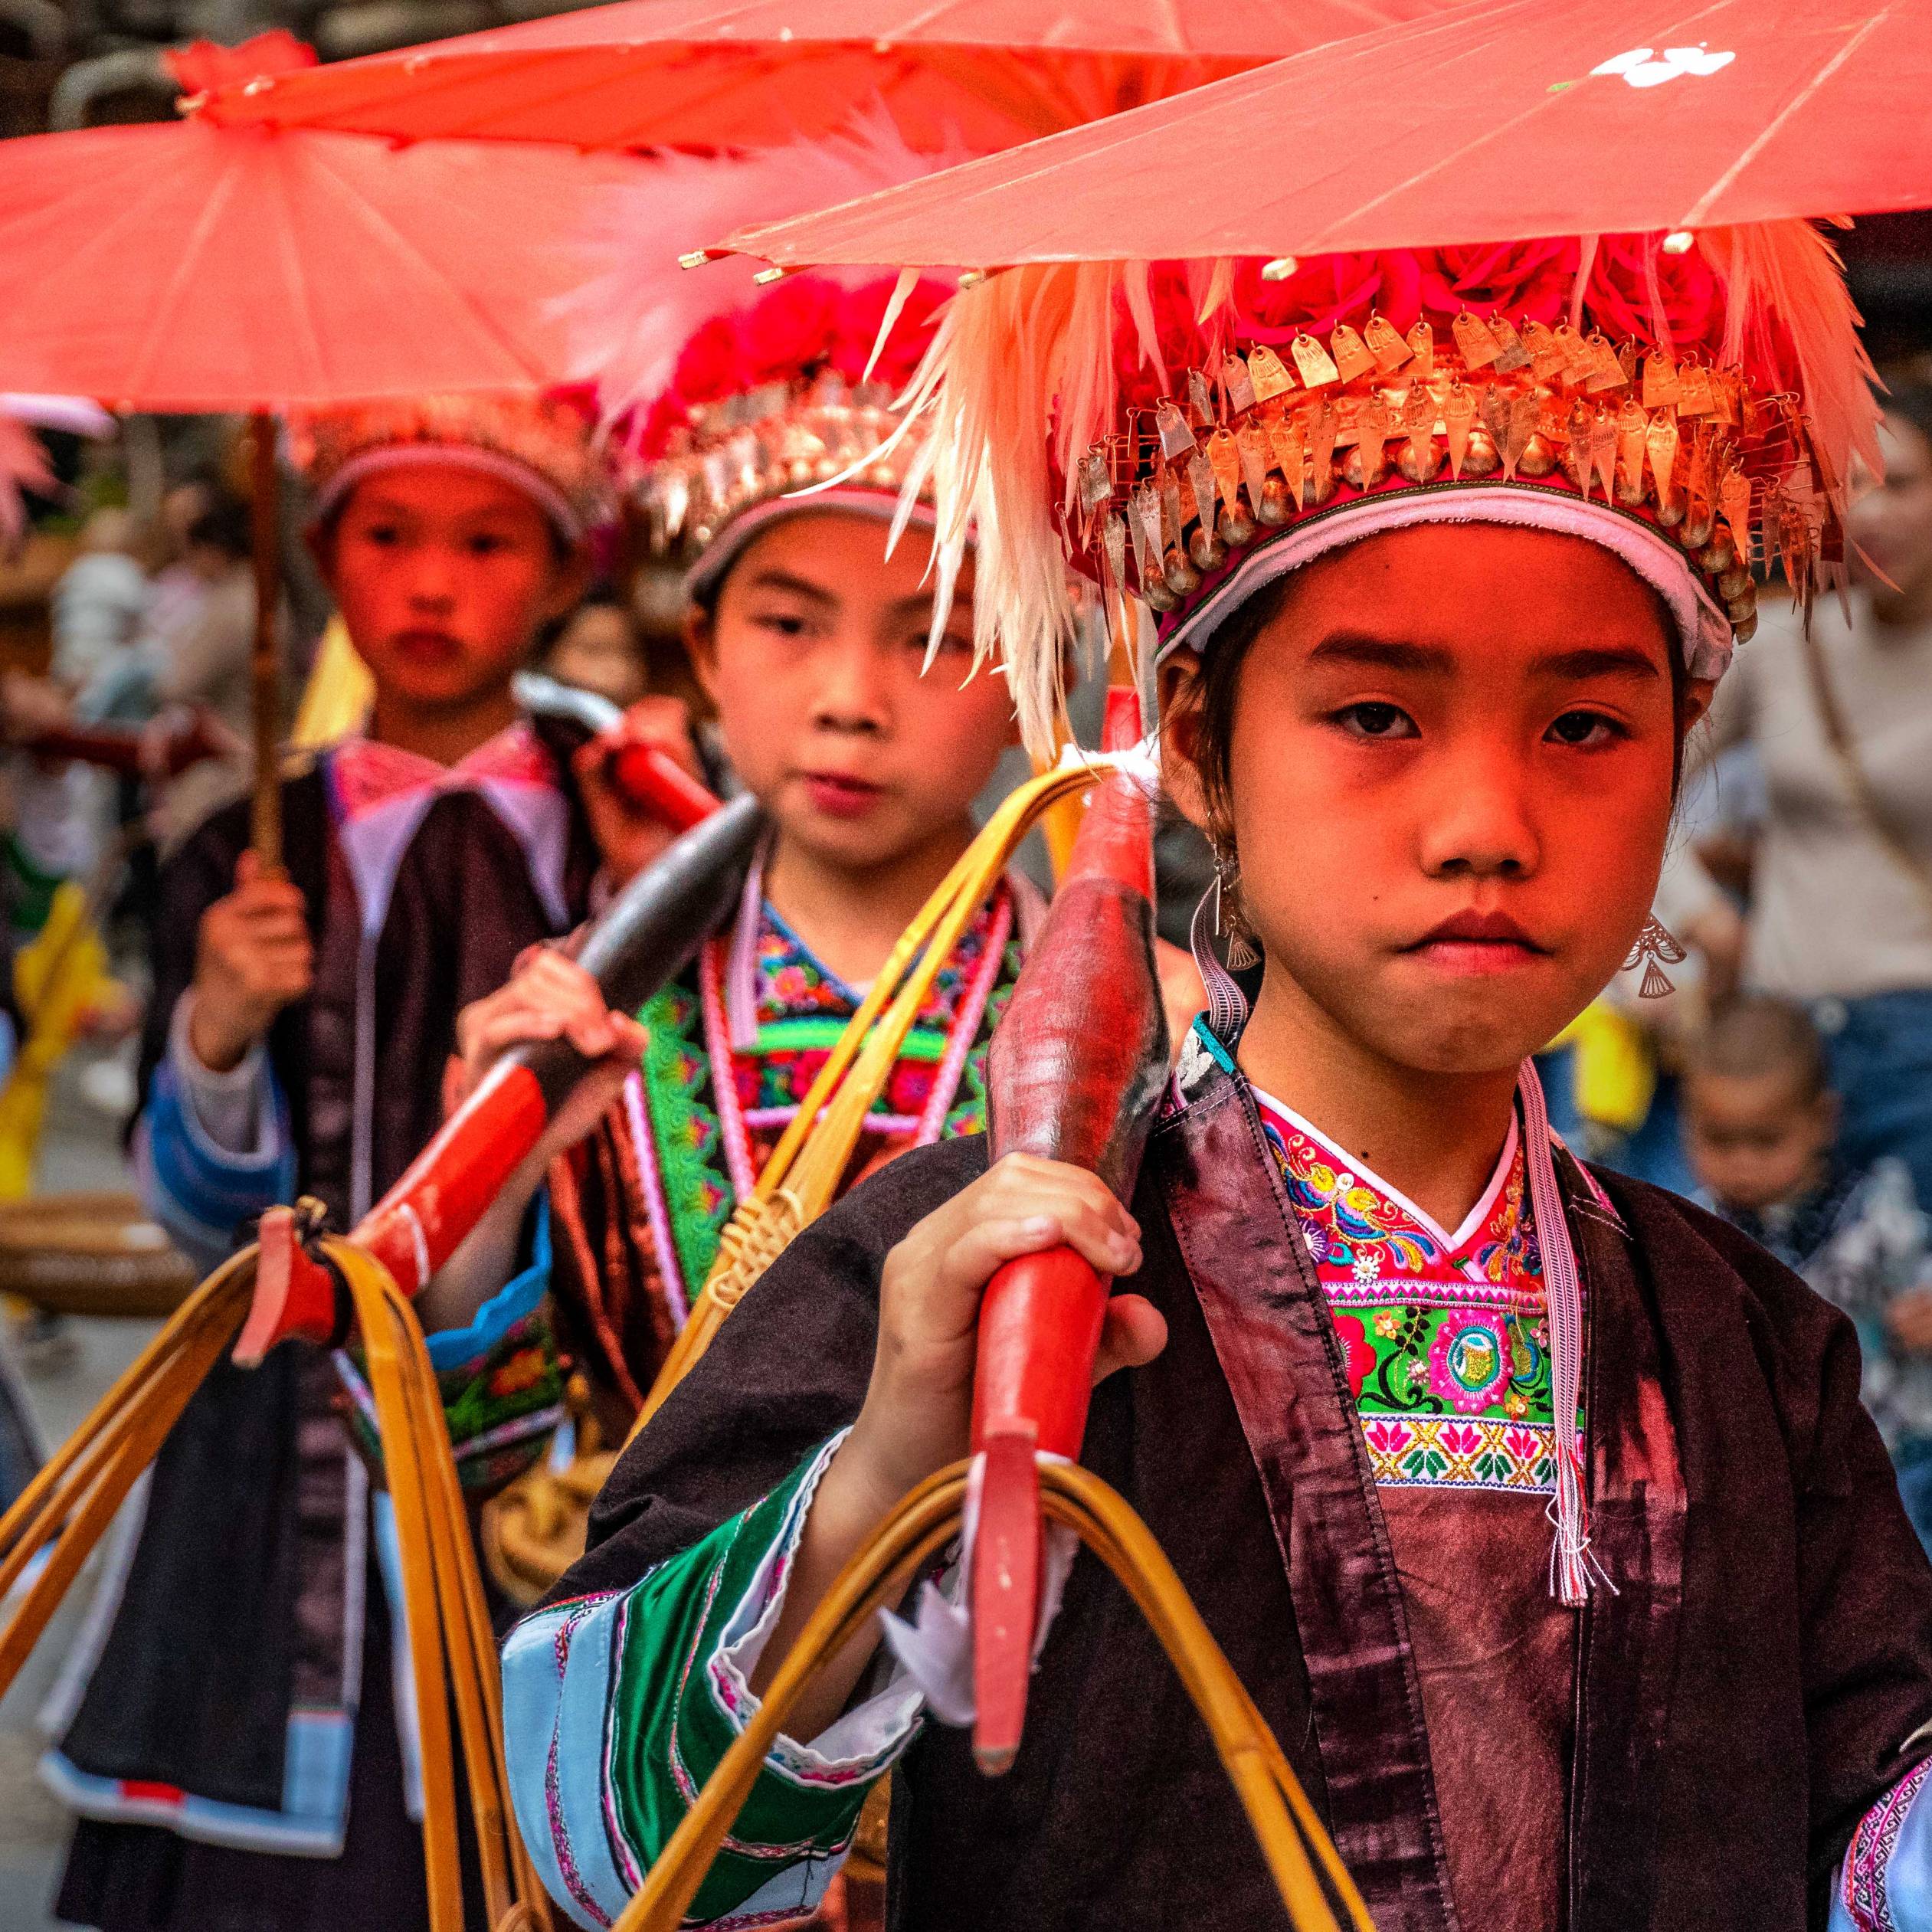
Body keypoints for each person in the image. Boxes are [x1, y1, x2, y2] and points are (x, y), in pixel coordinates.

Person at [502, 221, 1932, 1932]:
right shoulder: (973, 1272)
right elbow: (589, 1842)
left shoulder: (1744, 1338)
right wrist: (887, 1472)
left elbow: (1878, 1790)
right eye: (1377, 717)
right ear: (1194, 748)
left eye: (1586, 727)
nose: (1487, 825)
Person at [41, 392, 667, 1932]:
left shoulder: (629, 843)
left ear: (567, 570)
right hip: (276, 1470)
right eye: (388, 537)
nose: (432, 584)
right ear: (321, 558)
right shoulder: (239, 850)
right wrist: (214, 1024)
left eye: (484, 540)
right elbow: (199, 1226)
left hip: (555, 1442)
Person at [1665, 377, 1932, 1210]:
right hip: (1774, 1042)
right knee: (1774, 1319)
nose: (1873, 512)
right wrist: (1699, 911)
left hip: (1919, 1042)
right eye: (1850, 486)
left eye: (1900, 484)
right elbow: (1630, 790)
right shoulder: (1781, 644)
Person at [1686, 994, 1932, 1554]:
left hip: (1888, 1466)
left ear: (1822, 1120)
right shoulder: (1692, 1233)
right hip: (1759, 1482)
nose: (1743, 1161)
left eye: (1765, 1140)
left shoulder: (1877, 1213)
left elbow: (1920, 1273)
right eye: (1720, 1140)